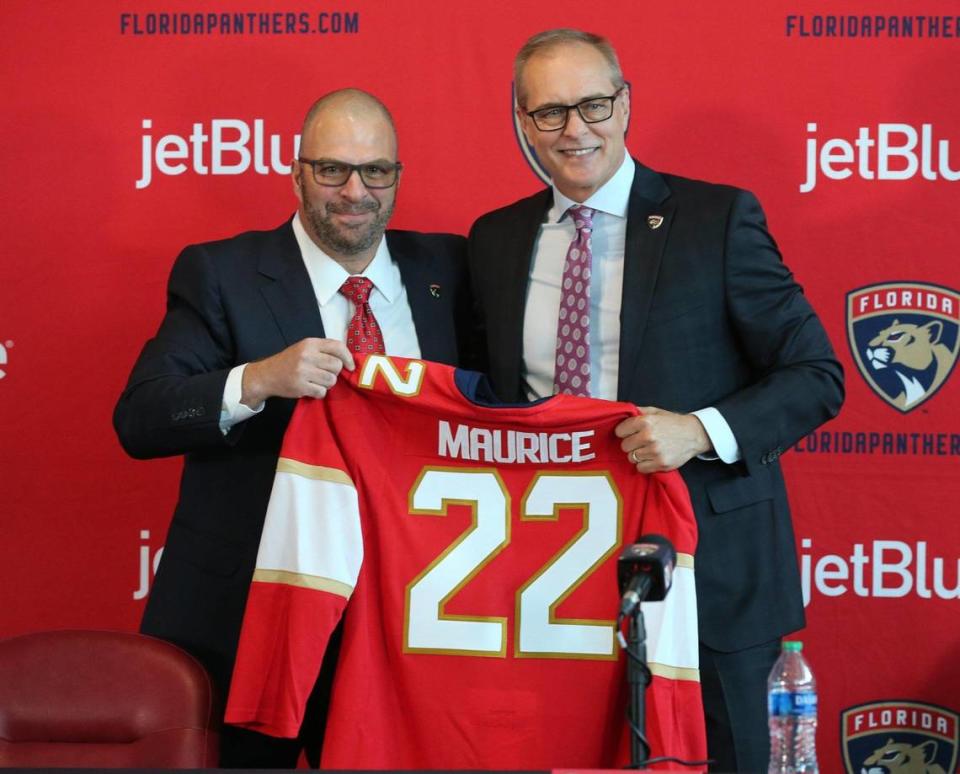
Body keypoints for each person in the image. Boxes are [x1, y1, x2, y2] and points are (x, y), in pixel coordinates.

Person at [467, 29, 844, 773]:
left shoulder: (718, 221)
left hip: (711, 573)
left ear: (626, 103)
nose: (575, 130)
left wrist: (700, 431)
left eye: (594, 104)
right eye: (549, 113)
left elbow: (816, 373)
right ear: (521, 121)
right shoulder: (494, 240)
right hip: (551, 578)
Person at [114, 88, 475, 768]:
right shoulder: (221, 274)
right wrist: (256, 380)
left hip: (411, 622)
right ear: (296, 170)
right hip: (252, 617)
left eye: (376, 172)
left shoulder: (450, 270)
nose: (355, 192)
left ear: (398, 176)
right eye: (332, 169)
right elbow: (141, 417)